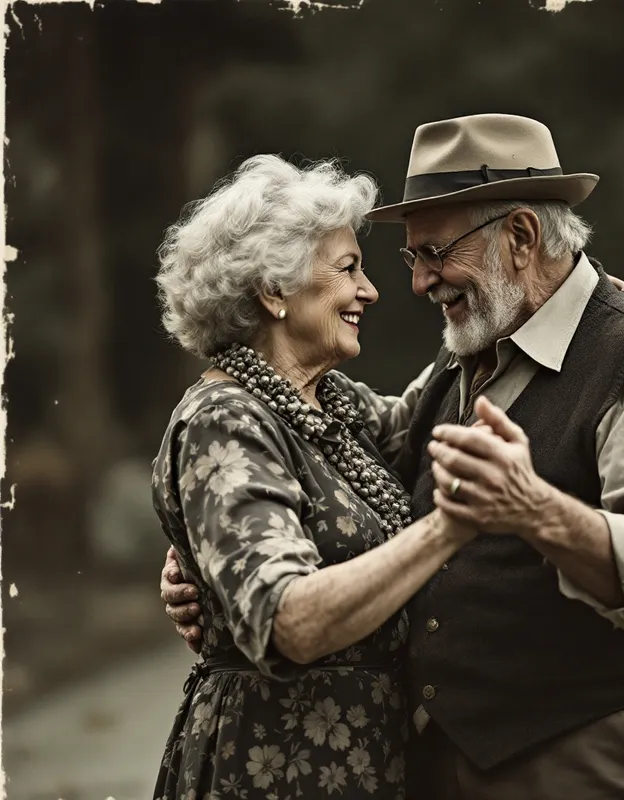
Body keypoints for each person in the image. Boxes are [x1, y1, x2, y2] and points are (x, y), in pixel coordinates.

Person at [160, 114, 624, 800]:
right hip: (408, 766)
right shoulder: (458, 360)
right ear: (273, 293)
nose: (413, 283)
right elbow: (273, 479)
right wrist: (204, 552)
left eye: (435, 253)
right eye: (408, 259)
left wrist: (537, 507)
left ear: (521, 238)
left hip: (591, 756)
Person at [150, 154, 489, 800]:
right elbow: (288, 620)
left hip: (363, 768)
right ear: (273, 291)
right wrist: (448, 530)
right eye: (348, 269)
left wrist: (554, 311)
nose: (370, 291)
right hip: (273, 770)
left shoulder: (327, 402)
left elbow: (430, 407)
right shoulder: (223, 419)